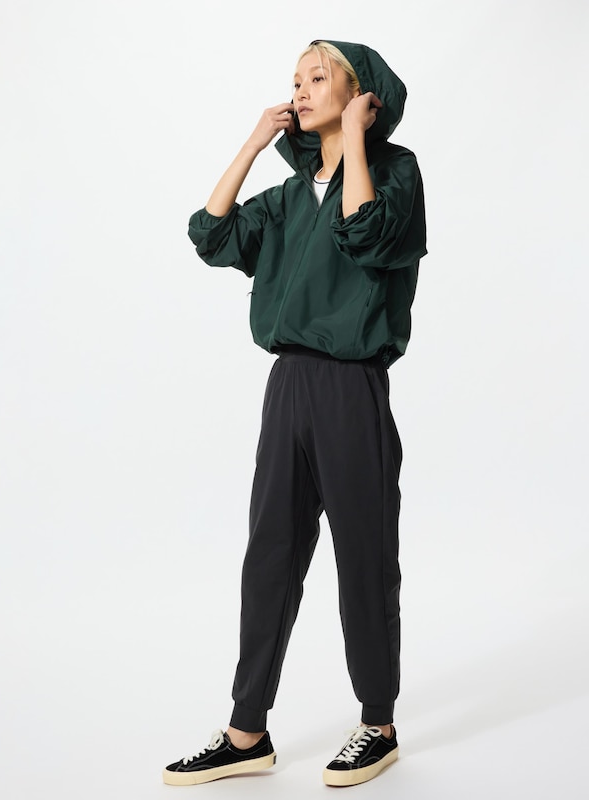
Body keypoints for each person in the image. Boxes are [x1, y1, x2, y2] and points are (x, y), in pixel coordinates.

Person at [163, 39, 427, 788]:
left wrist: (357, 142)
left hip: (352, 386)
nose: (301, 90)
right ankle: (246, 731)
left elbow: (366, 232)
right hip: (287, 387)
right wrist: (254, 142)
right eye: (296, 81)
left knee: (363, 557)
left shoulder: (396, 173)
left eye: (319, 78)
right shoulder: (286, 198)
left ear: (362, 92)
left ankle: (378, 723)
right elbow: (211, 234)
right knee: (270, 556)